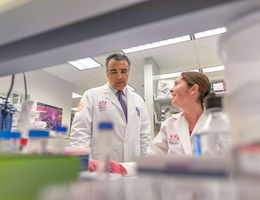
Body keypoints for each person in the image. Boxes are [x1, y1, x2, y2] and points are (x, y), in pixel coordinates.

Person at [97, 71, 212, 175]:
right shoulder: (170, 124)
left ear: (193, 89)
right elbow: (151, 160)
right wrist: (119, 167)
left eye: (177, 84)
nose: (171, 89)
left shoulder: (219, 123)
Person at [70, 53, 151, 163]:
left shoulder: (138, 100)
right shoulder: (91, 96)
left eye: (123, 71)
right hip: (101, 166)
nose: (119, 76)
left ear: (128, 72)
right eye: (113, 71)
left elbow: (145, 136)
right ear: (107, 74)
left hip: (130, 166)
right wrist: (83, 162)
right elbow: (80, 132)